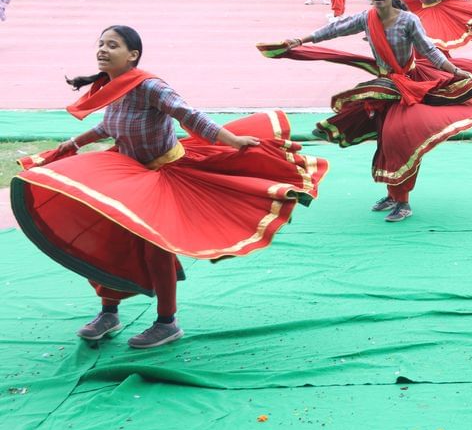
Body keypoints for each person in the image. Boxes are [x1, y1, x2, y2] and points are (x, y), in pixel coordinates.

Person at [14, 26, 325, 348]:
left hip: (164, 172)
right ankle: (109, 311)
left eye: (113, 45)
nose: (102, 50)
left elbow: (188, 115)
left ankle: (167, 321)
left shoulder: (150, 86)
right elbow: (111, 124)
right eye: (101, 44)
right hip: (126, 171)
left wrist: (231, 141)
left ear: (132, 55)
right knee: (106, 235)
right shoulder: (110, 86)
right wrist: (72, 144)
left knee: (154, 247)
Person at [264, 0, 472, 222]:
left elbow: (431, 52)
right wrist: (301, 40)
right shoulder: (367, 18)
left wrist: (457, 72)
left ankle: (403, 202)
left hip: (411, 85)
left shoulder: (408, 21)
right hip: (386, 85)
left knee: (400, 138)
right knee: (385, 138)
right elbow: (334, 29)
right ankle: (393, 195)